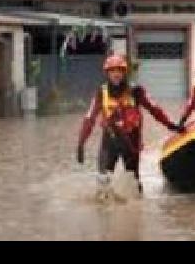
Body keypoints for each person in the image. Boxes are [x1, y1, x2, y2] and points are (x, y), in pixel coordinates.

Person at [76, 55, 184, 194]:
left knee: (133, 180)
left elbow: (154, 109)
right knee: (103, 179)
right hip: (109, 141)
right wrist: (81, 143)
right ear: (107, 73)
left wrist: (171, 125)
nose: (116, 74)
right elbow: (89, 118)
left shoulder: (136, 91)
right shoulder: (101, 92)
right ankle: (104, 211)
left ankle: (137, 210)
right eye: (112, 71)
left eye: (119, 70)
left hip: (131, 142)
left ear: (124, 72)